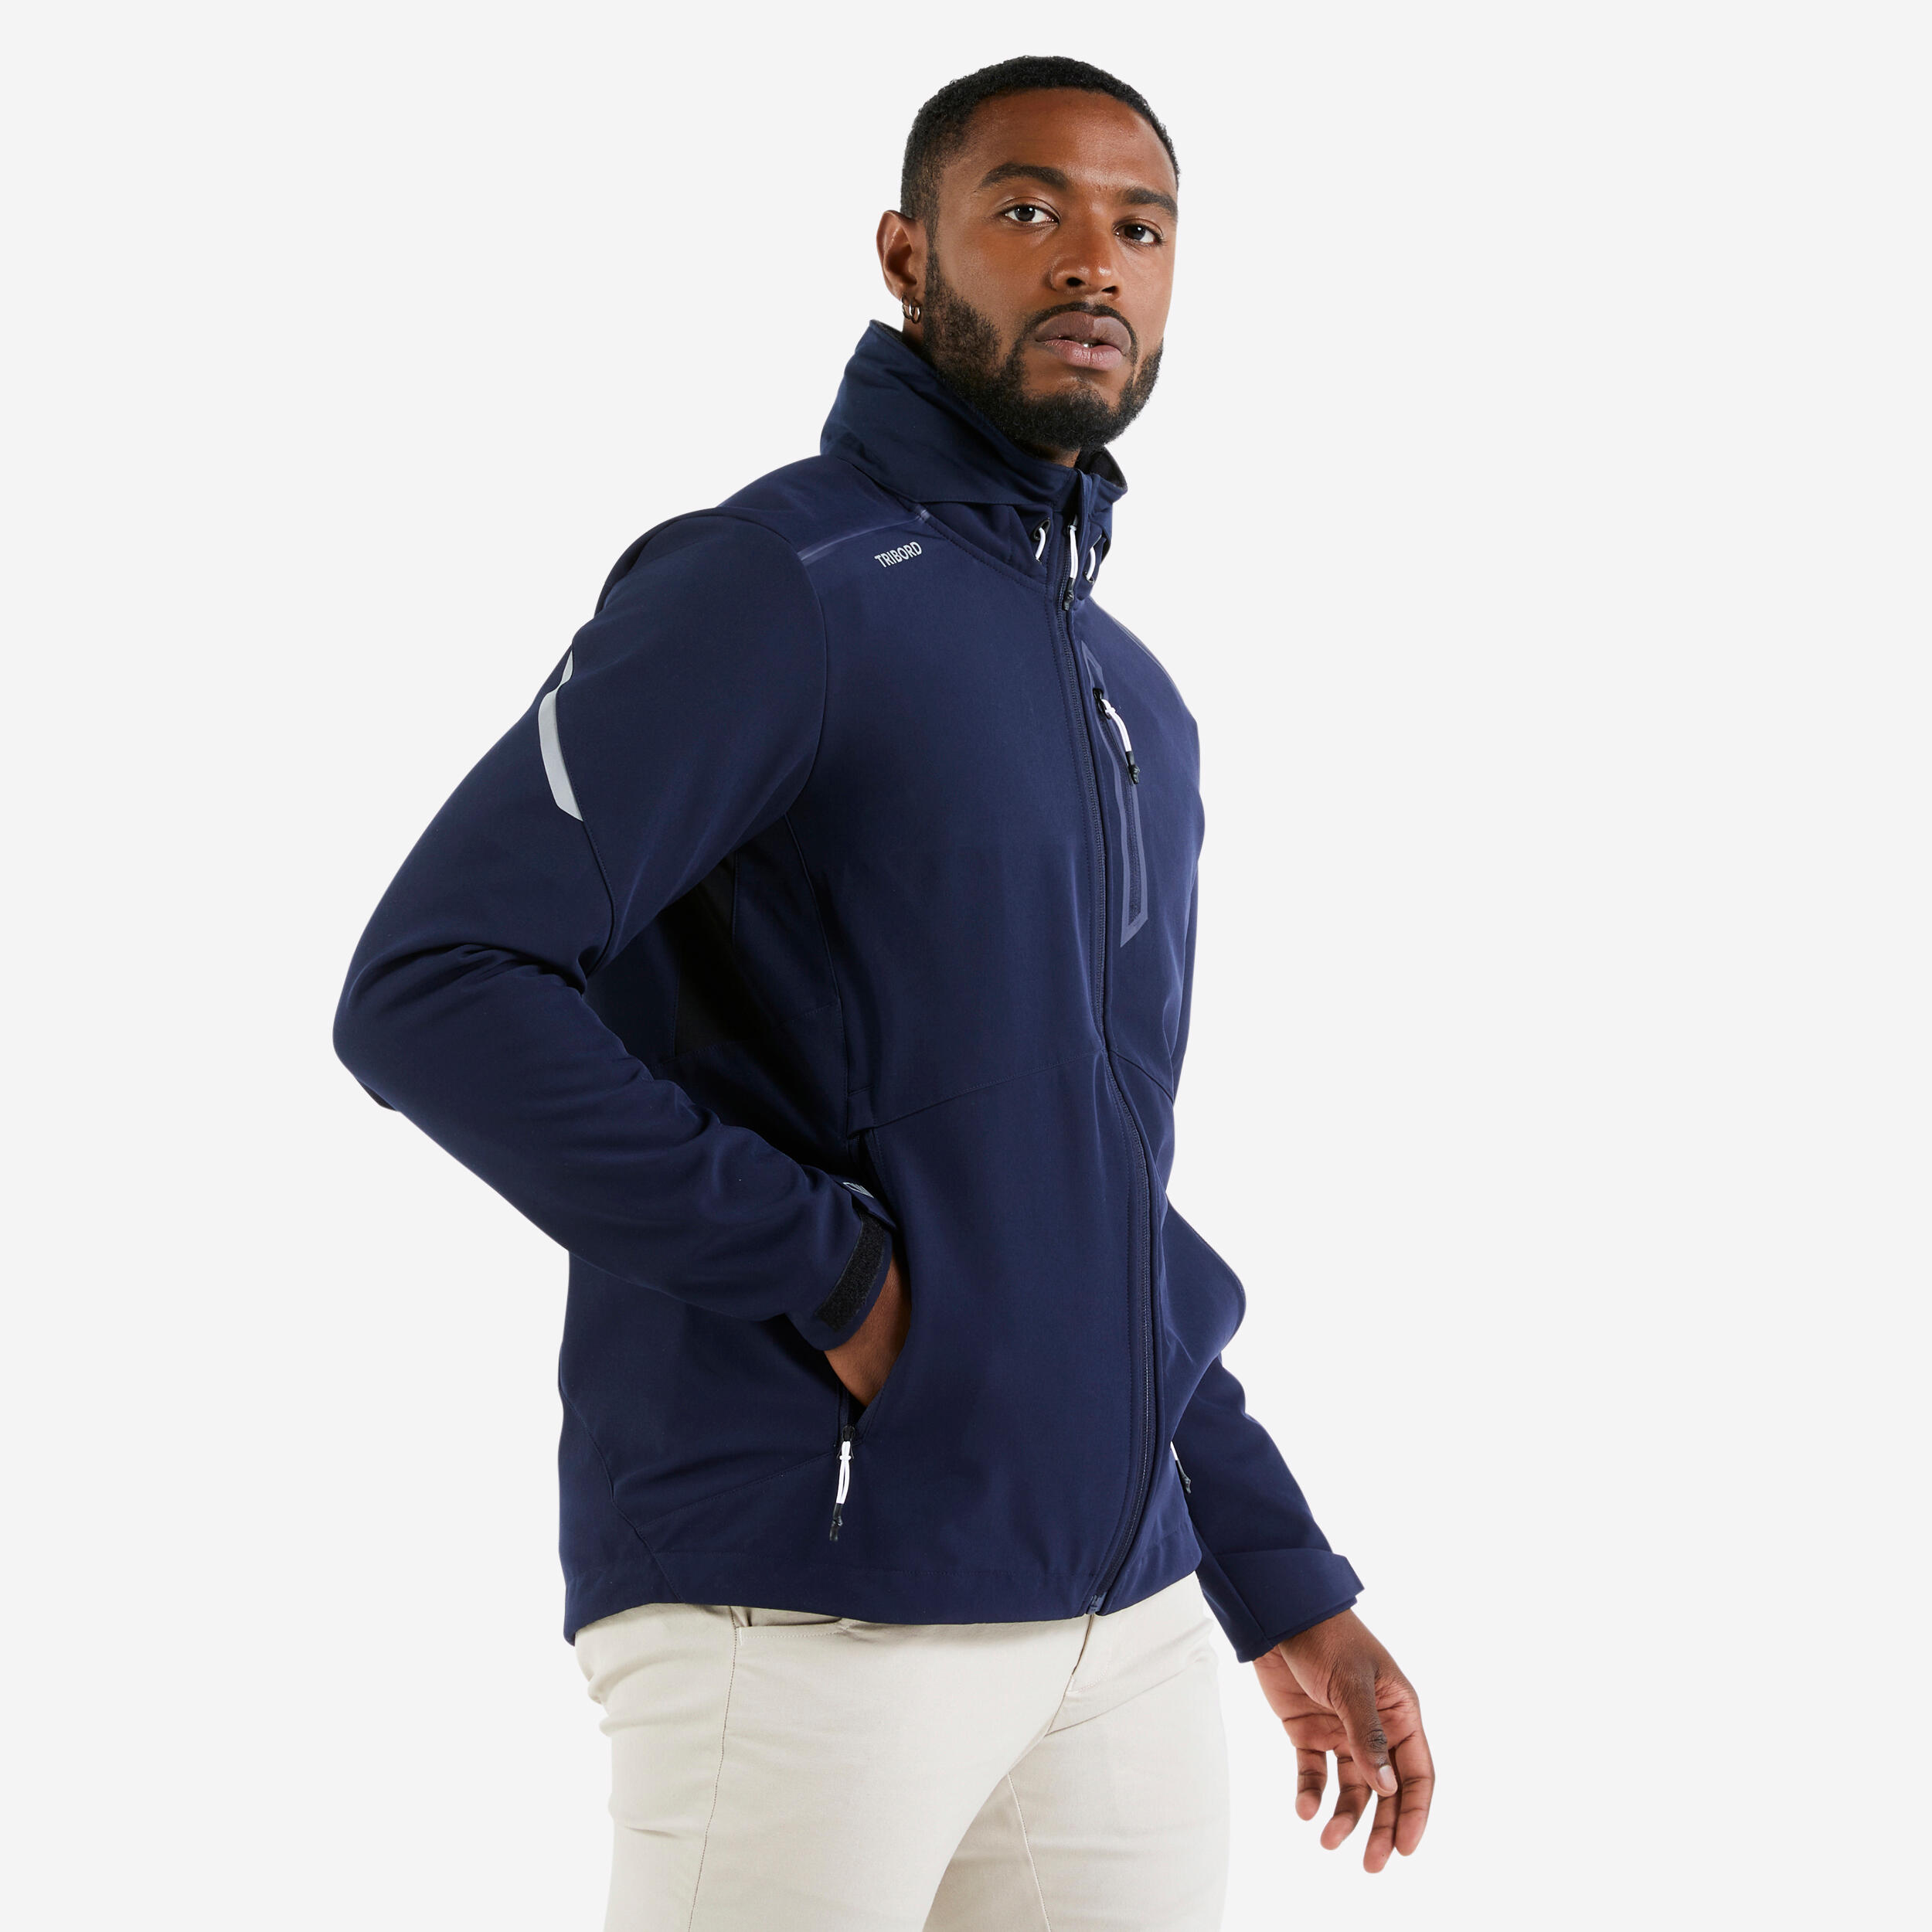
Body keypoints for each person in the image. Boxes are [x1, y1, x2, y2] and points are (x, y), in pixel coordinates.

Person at [334, 54, 1434, 1931]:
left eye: (1139, 225)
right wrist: (832, 1275)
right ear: (907, 255)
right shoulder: (775, 586)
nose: (1090, 259)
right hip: (808, 1596)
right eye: (1028, 208)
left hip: (1119, 1618)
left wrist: (1273, 1565)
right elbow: (434, 983)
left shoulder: (1130, 697)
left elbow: (1091, 1188)